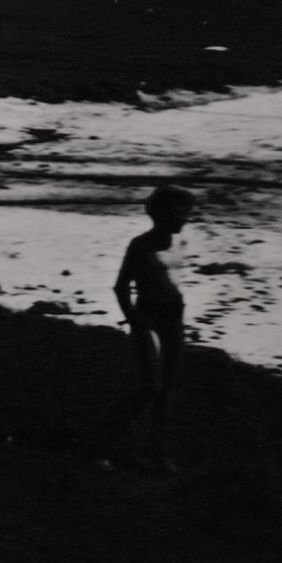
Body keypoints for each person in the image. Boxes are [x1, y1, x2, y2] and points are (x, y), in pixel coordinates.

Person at [104, 184, 196, 470]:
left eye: (187, 213)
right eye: (180, 213)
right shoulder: (140, 245)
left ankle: (158, 453)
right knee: (150, 387)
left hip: (174, 317)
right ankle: (105, 445)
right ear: (161, 214)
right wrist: (135, 320)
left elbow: (173, 280)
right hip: (148, 317)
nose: (185, 219)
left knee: (167, 388)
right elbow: (121, 287)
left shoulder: (180, 242)